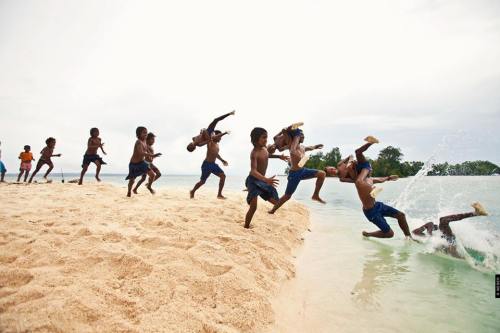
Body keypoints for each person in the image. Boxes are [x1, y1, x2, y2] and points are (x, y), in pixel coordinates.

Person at [268, 129, 326, 214]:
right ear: (297, 137)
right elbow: (281, 148)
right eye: (301, 135)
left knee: (322, 174)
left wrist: (316, 146)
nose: (303, 137)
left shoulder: (302, 147)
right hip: (294, 174)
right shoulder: (291, 145)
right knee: (287, 196)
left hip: (303, 171)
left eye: (303, 135)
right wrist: (286, 132)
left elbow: (309, 148)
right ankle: (273, 210)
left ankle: (315, 195)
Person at [245, 127, 289, 228]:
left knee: (276, 202)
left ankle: (271, 210)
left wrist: (279, 157)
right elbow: (253, 171)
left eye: (267, 137)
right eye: (264, 138)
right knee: (254, 207)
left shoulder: (264, 149)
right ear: (256, 139)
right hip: (253, 181)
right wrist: (267, 180)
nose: (266, 140)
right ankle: (246, 226)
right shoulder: (254, 153)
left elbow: (266, 155)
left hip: (262, 181)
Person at [412, 203, 488, 257]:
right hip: (448, 243)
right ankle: (476, 213)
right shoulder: (427, 241)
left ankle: (476, 213)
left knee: (443, 220)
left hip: (448, 240)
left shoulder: (423, 234)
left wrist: (429, 234)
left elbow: (430, 224)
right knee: (443, 220)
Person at [190, 130, 228, 199]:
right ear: (216, 136)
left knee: (223, 176)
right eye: (219, 136)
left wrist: (222, 160)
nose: (220, 138)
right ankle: (192, 191)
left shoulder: (217, 145)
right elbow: (212, 137)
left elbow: (216, 154)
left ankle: (219, 194)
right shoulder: (210, 142)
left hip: (213, 164)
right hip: (206, 165)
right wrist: (225, 133)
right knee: (202, 182)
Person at [126, 127, 161, 197]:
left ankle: (149, 186)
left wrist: (153, 156)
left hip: (142, 163)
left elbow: (146, 153)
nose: (146, 134)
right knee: (132, 180)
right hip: (133, 164)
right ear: (139, 134)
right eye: (144, 132)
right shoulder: (138, 142)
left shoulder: (145, 141)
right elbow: (141, 153)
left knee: (153, 175)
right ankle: (129, 191)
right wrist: (152, 155)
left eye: (146, 132)